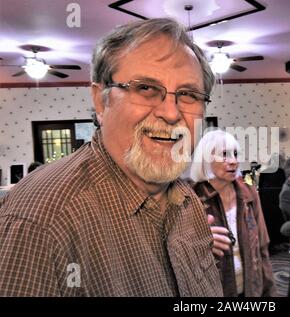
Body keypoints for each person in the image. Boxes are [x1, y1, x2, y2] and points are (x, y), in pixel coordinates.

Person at [0, 18, 222, 296]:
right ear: (100, 100)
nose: (171, 113)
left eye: (188, 94)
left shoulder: (188, 199)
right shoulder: (42, 221)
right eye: (145, 88)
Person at [190, 130, 277, 297]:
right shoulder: (190, 198)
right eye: (225, 155)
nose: (234, 161)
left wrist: (270, 292)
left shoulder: (249, 192)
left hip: (251, 289)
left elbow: (262, 247)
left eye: (236, 154)